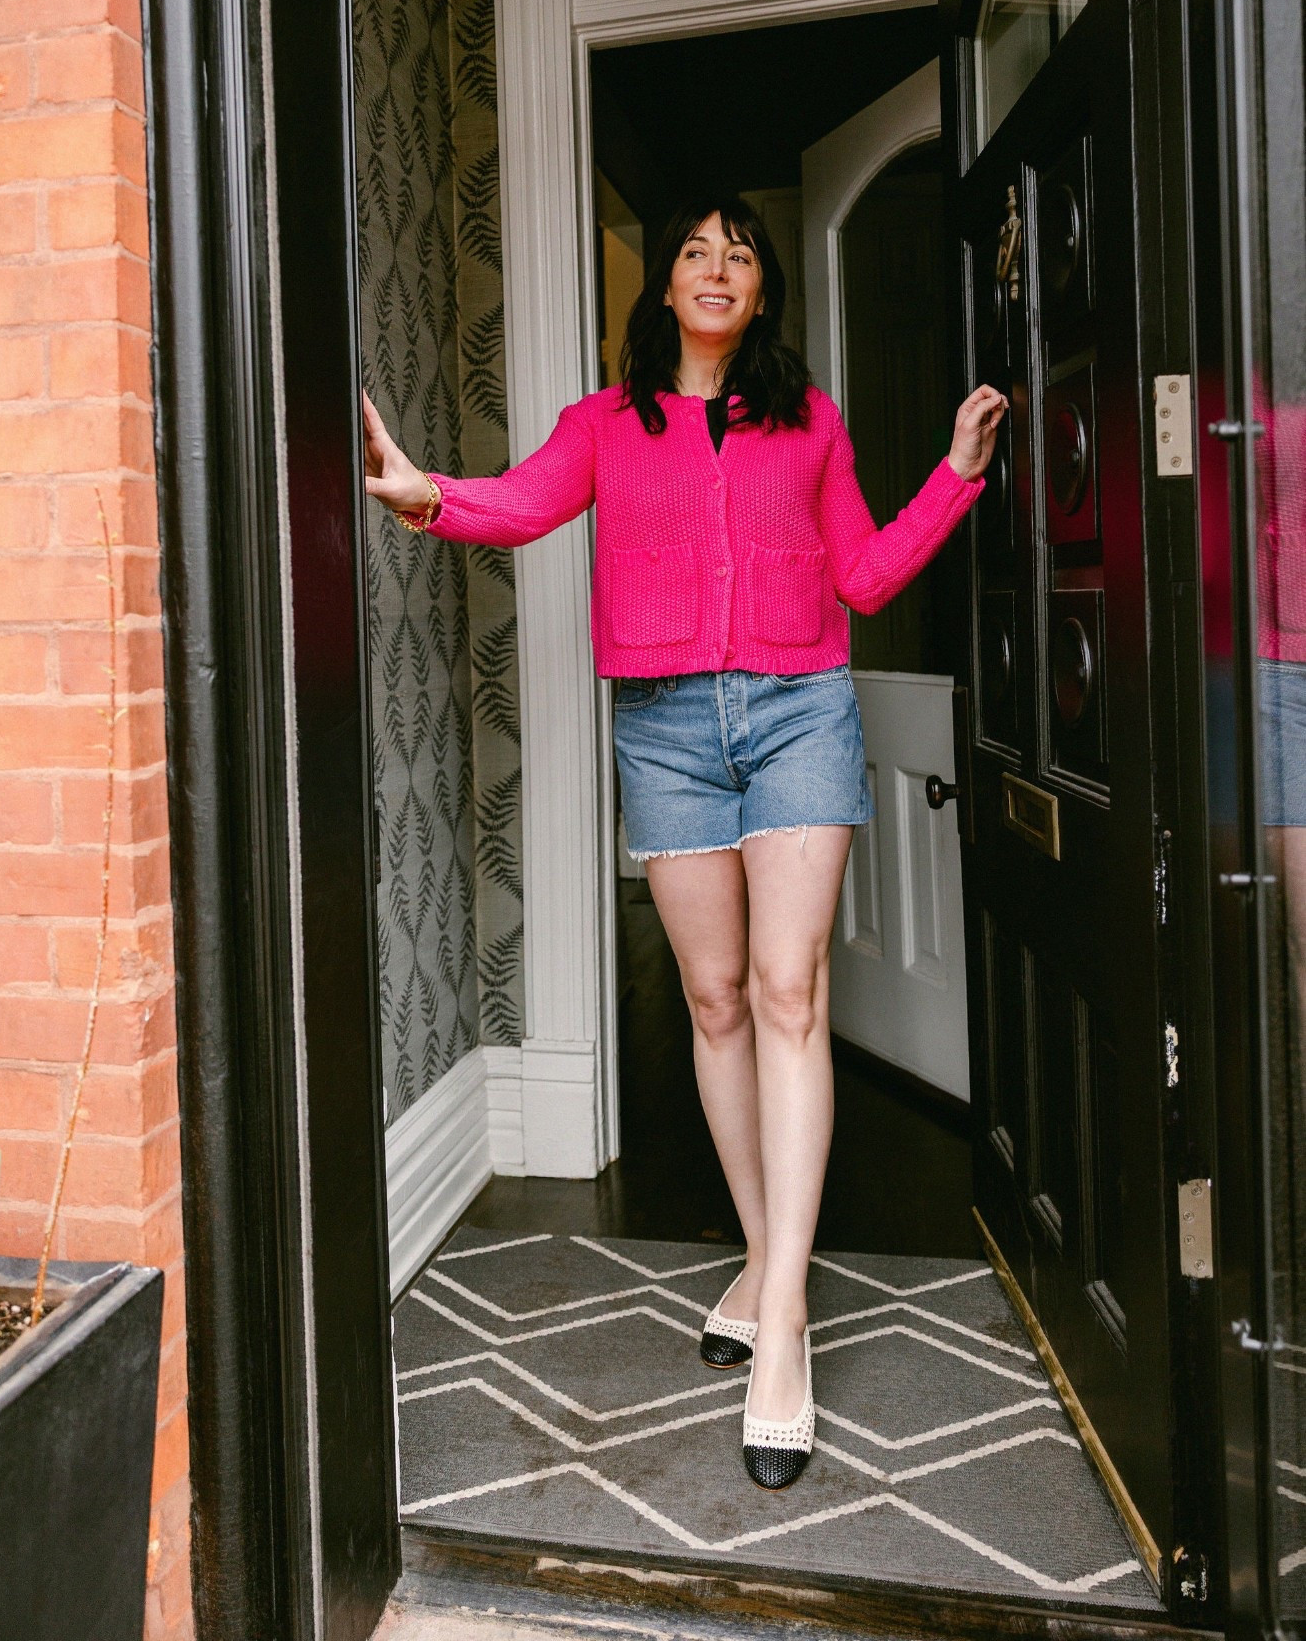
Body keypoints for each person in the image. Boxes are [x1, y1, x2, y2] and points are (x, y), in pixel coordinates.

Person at [363, 194, 1005, 1491]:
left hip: (798, 711)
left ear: (760, 292)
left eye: (741, 254)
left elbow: (864, 577)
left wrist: (955, 473)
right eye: (697, 252)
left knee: (786, 990)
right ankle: (768, 1261)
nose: (718, 269)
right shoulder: (604, 425)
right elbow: (521, 503)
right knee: (713, 1000)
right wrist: (425, 497)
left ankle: (783, 1323)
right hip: (661, 729)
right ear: (665, 285)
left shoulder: (809, 421)